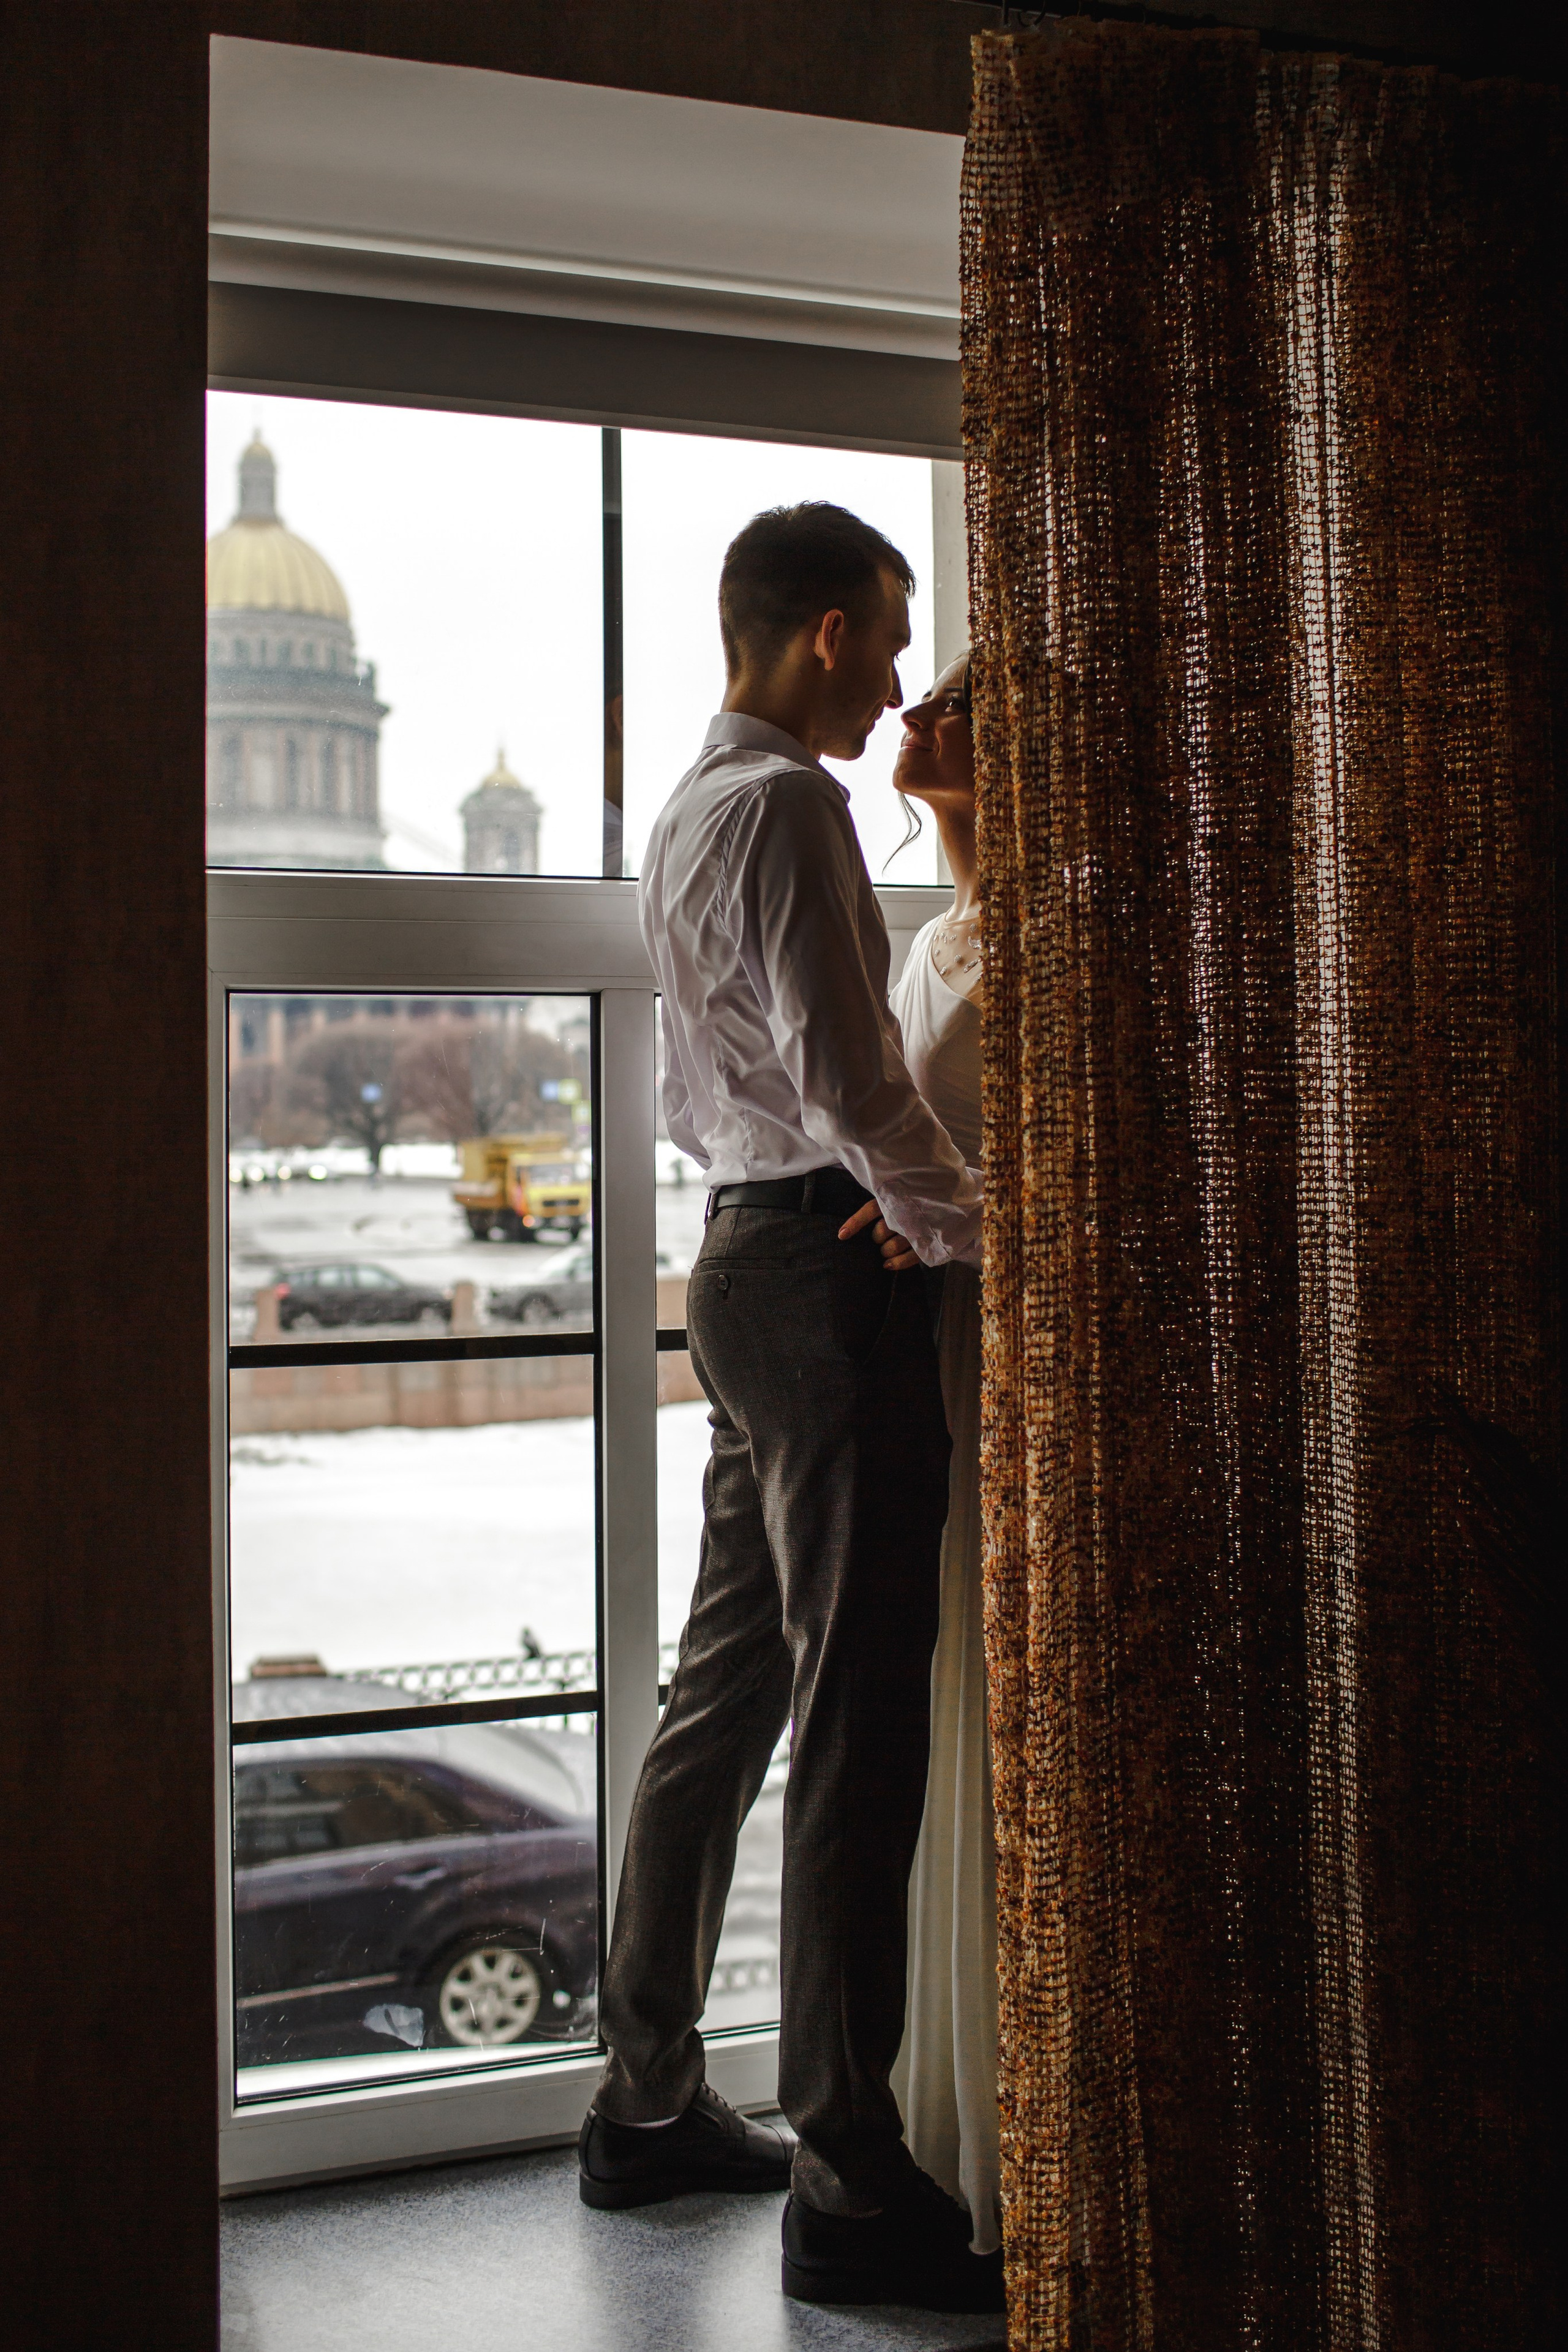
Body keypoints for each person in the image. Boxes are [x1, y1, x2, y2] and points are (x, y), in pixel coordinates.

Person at [578, 503, 1003, 2317]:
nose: (898, 680)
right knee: (858, 1712)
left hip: (742, 1263)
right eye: (891, 643)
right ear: (827, 631)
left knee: (725, 1690)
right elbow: (854, 1074)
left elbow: (724, 1085)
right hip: (825, 1286)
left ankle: (647, 2095)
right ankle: (847, 2166)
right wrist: (989, 1224)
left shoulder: (687, 805)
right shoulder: (789, 806)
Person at [884, 654, 1001, 2257]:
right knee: (934, 1700)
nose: (916, 712)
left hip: (1008, 1372)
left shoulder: (1054, 948)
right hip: (927, 1370)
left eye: (963, 697)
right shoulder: (932, 945)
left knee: (988, 1690)